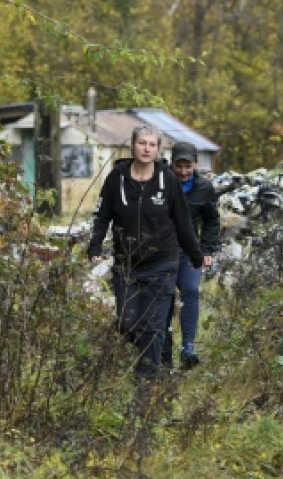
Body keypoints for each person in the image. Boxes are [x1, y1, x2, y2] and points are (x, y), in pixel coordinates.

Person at [87, 125, 206, 380]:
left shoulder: (168, 180)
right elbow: (102, 215)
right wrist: (95, 245)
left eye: (152, 145)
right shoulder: (116, 178)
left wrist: (195, 255)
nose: (146, 149)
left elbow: (183, 221)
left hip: (162, 263)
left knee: (153, 325)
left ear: (158, 149)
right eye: (142, 143)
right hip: (126, 262)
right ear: (133, 146)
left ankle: (147, 382)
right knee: (127, 322)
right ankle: (160, 351)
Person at [165, 141, 221, 369]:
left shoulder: (204, 188)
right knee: (165, 297)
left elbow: (211, 221)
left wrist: (207, 250)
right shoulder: (162, 182)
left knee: (190, 291)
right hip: (163, 251)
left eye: (188, 166)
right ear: (172, 164)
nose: (183, 172)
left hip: (189, 252)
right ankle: (163, 347)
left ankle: (188, 347)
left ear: (195, 164)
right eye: (179, 166)